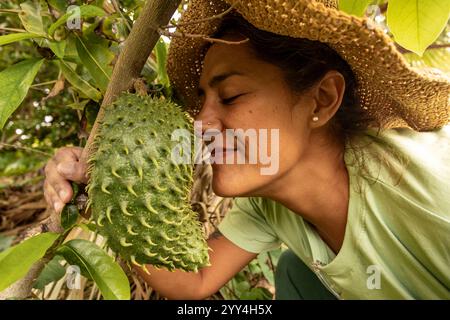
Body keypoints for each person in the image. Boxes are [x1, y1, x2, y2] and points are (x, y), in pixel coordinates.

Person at [43, 0, 450, 299]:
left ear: (322, 99)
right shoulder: (270, 205)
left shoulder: (431, 188)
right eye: (202, 101)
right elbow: (196, 282)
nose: (200, 124)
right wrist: (109, 191)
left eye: (232, 96)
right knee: (296, 274)